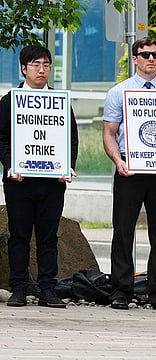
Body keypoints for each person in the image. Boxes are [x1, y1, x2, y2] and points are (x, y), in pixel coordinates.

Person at [103, 37, 156, 311]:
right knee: (123, 230)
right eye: (145, 54)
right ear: (135, 58)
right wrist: (118, 160)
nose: (151, 59)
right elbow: (108, 133)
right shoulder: (119, 92)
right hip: (130, 168)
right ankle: (121, 290)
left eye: (155, 54)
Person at [0, 45, 79, 308]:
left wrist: (67, 165)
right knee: (19, 234)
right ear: (23, 68)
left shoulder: (59, 103)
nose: (41, 69)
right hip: (19, 181)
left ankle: (48, 288)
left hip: (52, 182)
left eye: (46, 64)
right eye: (35, 64)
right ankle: (19, 288)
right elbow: (1, 138)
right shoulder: (10, 100)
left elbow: (71, 138)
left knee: (48, 236)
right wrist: (10, 165)